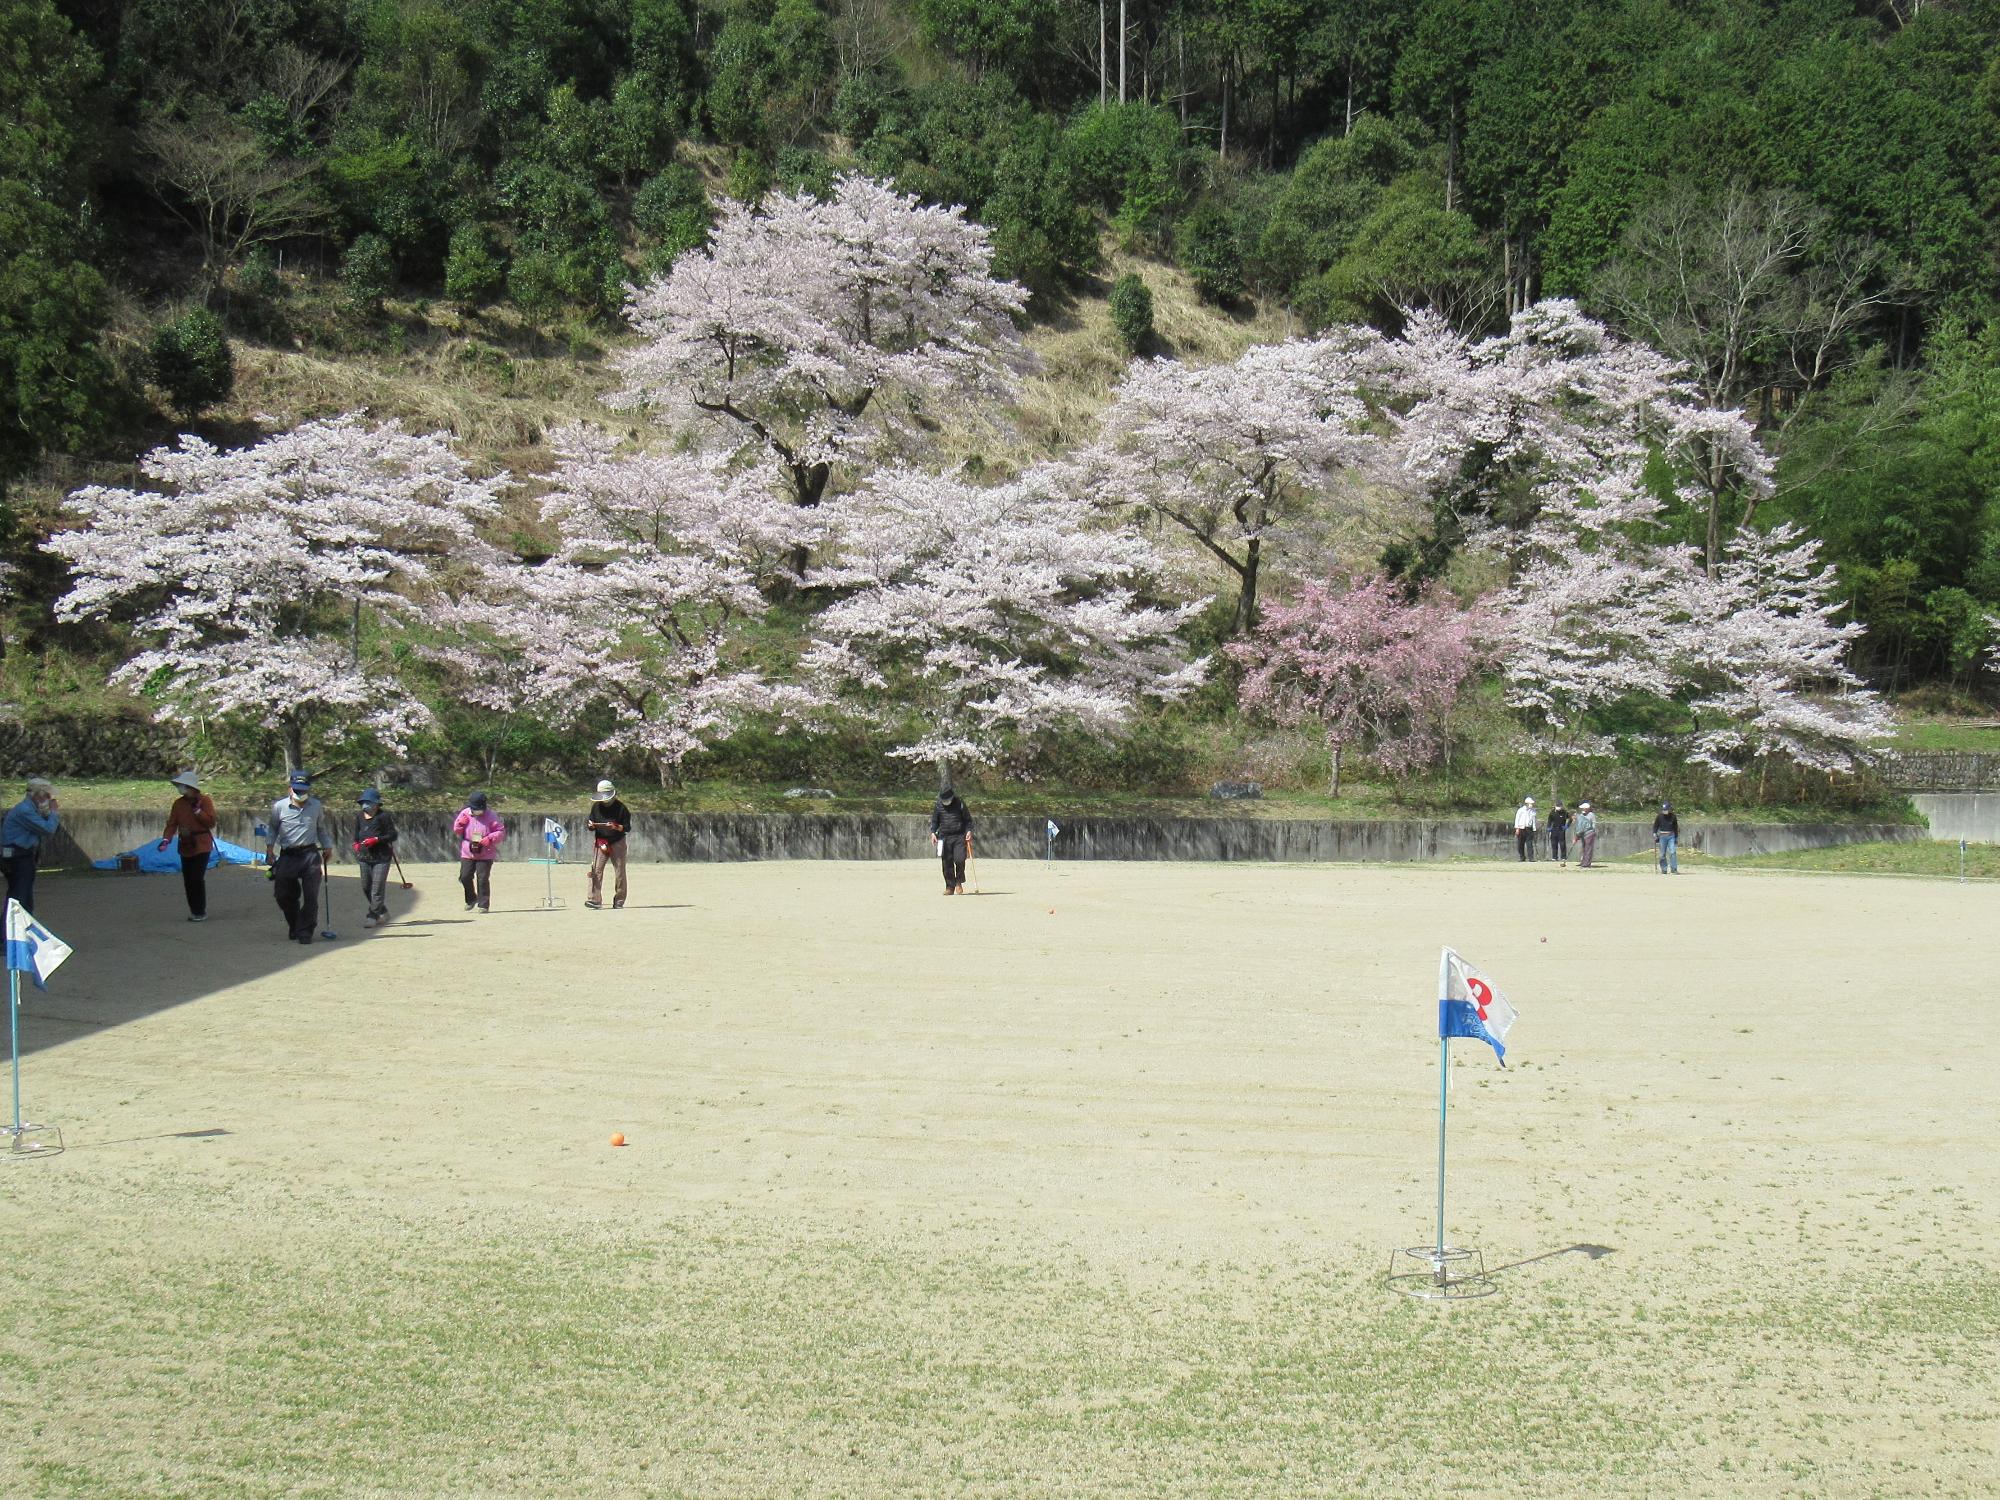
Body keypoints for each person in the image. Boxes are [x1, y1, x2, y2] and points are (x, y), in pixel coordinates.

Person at [265, 771, 332, 944]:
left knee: (311, 896)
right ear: (290, 789)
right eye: (297, 790)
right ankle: (295, 924)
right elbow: (272, 828)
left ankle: (306, 930)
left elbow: (321, 828)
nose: (300, 794)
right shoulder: (279, 807)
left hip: (310, 854)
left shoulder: (316, 806)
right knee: (283, 894)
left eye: (303, 790)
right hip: (288, 855)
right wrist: (269, 849)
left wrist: (327, 846)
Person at [157, 770, 218, 921]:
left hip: (202, 844)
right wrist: (166, 839)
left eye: (184, 786)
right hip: (185, 844)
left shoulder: (205, 801)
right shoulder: (178, 804)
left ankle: (200, 910)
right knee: (188, 879)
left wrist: (198, 811)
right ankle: (194, 910)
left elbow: (211, 822)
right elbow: (172, 824)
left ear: (192, 787)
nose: (181, 789)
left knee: (197, 878)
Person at [1, 776, 61, 915]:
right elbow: (47, 829)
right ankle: (12, 929)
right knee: (20, 896)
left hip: (20, 855)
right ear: (38, 795)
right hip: (17, 856)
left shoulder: (29, 809)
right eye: (46, 795)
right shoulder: (25, 811)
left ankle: (15, 928)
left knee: (20, 894)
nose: (48, 798)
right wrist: (54, 812)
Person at [350, 789, 399, 929]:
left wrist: (377, 839)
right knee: (366, 886)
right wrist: (356, 844)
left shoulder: (384, 817)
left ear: (377, 804)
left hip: (381, 857)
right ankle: (381, 910)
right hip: (364, 857)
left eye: (369, 803)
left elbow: (392, 835)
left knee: (377, 888)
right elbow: (356, 834)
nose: (366, 805)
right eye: (364, 802)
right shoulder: (359, 816)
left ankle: (372, 915)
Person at [453, 792, 505, 911]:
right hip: (468, 850)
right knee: (464, 876)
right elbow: (457, 830)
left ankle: (483, 904)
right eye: (475, 809)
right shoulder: (465, 813)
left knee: (482, 878)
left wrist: (489, 838)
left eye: (480, 809)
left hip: (486, 851)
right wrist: (461, 823)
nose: (478, 812)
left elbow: (500, 832)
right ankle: (471, 898)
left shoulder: (492, 816)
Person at [584, 778, 631, 910]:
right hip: (601, 841)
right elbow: (590, 823)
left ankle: (619, 900)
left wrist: (616, 827)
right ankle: (594, 899)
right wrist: (591, 825)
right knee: (596, 870)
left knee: (620, 872)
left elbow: (627, 827)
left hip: (617, 841)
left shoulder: (622, 808)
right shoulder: (596, 807)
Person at [930, 783, 973, 894]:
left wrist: (968, 830)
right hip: (943, 837)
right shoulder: (938, 805)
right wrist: (933, 833)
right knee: (946, 862)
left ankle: (958, 882)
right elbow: (935, 821)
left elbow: (968, 820)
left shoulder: (960, 803)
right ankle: (950, 886)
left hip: (959, 835)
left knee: (960, 859)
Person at [1653, 800, 1681, 875]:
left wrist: (1676, 838)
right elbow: (1655, 826)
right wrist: (1655, 833)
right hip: (1662, 836)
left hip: (1671, 836)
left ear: (1669, 809)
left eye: (1666, 810)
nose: (1665, 811)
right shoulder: (1659, 816)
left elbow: (1675, 827)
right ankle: (1664, 869)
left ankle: (1674, 869)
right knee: (1662, 854)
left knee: (1672, 852)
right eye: (1664, 810)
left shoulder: (1673, 816)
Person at [1512, 795, 1537, 862]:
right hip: (1521, 828)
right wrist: (1517, 828)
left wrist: (1534, 829)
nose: (1531, 805)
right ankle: (1522, 857)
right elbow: (1517, 819)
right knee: (1520, 843)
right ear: (1526, 804)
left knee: (1529, 843)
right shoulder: (1521, 810)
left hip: (1529, 828)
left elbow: (1534, 820)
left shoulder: (1533, 811)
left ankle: (1531, 858)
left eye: (1532, 803)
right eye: (1530, 803)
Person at [1575, 801, 1599, 868]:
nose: (1583, 809)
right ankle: (1583, 861)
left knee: (1588, 848)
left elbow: (1593, 823)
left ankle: (1586, 864)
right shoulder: (1581, 815)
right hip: (1583, 833)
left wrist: (1593, 830)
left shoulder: (1591, 814)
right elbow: (1580, 826)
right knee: (1584, 848)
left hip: (1589, 833)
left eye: (1584, 808)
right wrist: (1578, 835)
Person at [1547, 801, 1571, 866]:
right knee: (1554, 843)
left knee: (1562, 844)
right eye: (1557, 806)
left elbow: (1570, 818)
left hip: (1561, 829)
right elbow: (1549, 820)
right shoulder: (1552, 812)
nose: (1559, 807)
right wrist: (1549, 827)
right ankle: (1554, 857)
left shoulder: (1564, 812)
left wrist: (1566, 826)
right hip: (1554, 829)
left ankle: (1563, 857)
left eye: (1560, 806)